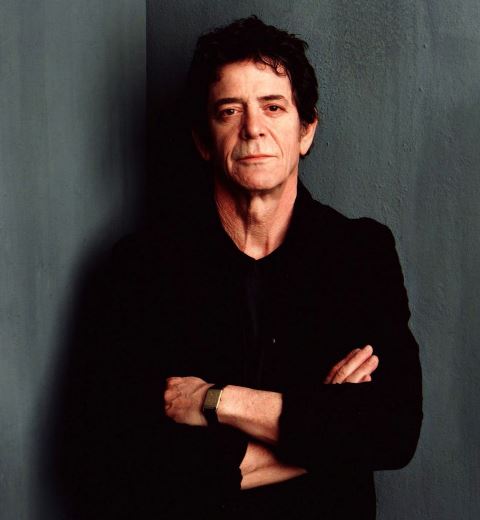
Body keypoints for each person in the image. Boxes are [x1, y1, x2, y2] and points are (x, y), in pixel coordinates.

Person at [55, 15, 422, 520]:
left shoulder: (361, 254)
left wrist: (217, 401)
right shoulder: (141, 267)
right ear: (204, 140)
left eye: (273, 107)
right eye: (230, 110)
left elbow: (394, 431)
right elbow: (121, 456)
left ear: (306, 130)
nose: (253, 128)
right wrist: (324, 429)